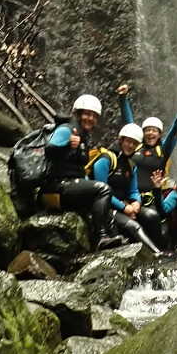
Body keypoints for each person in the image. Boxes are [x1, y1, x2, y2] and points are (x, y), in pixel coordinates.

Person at [41, 94, 122, 251]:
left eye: (93, 116)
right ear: (77, 114)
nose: (90, 118)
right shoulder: (66, 129)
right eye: (86, 114)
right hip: (54, 189)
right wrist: (67, 145)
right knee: (103, 189)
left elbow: (77, 168)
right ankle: (102, 237)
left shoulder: (82, 135)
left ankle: (114, 243)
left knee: (105, 204)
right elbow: (49, 150)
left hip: (66, 187)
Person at [90, 123, 163, 256]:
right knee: (134, 226)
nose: (130, 146)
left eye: (134, 143)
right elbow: (100, 192)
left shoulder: (131, 164)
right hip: (106, 207)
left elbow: (133, 191)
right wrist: (124, 208)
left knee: (151, 216)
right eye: (128, 141)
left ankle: (163, 248)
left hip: (124, 205)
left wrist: (136, 203)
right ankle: (157, 255)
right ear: (121, 140)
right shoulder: (105, 160)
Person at [116, 84, 177, 203]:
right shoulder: (135, 146)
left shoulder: (163, 149)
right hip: (130, 195)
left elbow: (175, 129)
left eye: (154, 130)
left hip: (153, 197)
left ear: (159, 134)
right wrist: (123, 98)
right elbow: (129, 123)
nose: (150, 133)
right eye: (147, 130)